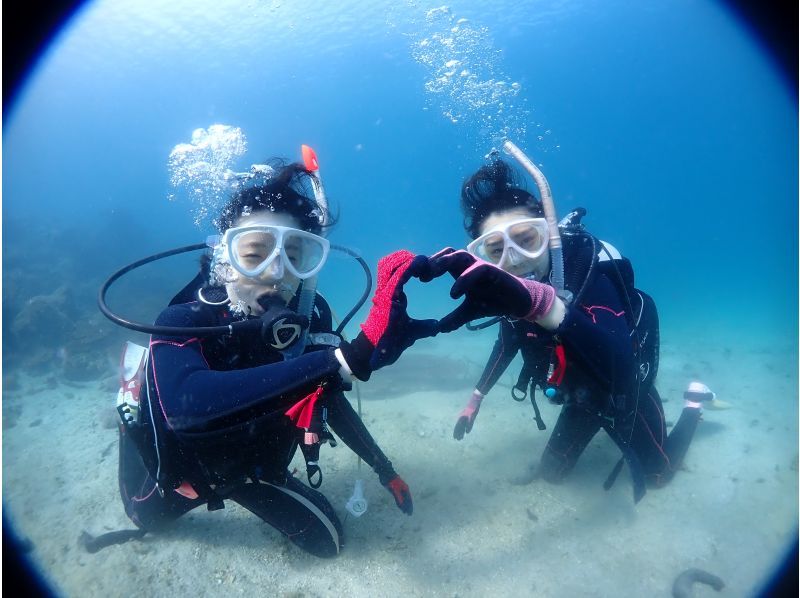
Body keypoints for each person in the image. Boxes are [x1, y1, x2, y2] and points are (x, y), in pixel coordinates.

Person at [113, 158, 438, 558]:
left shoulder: (310, 316)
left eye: (296, 256)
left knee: (330, 544)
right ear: (224, 259)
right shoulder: (182, 319)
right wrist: (341, 359)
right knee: (143, 518)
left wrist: (383, 468)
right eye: (255, 254)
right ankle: (130, 401)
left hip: (252, 473)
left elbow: (327, 395)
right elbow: (188, 406)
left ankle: (252, 479)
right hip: (189, 475)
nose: (276, 273)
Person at [424, 156, 717, 502]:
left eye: (526, 239)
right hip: (579, 397)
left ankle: (694, 403)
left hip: (625, 393)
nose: (514, 260)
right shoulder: (511, 292)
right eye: (497, 250)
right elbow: (508, 342)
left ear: (548, 235)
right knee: (551, 474)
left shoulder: (589, 281)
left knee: (657, 475)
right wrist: (475, 399)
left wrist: (549, 308)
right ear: (481, 256)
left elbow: (621, 368)